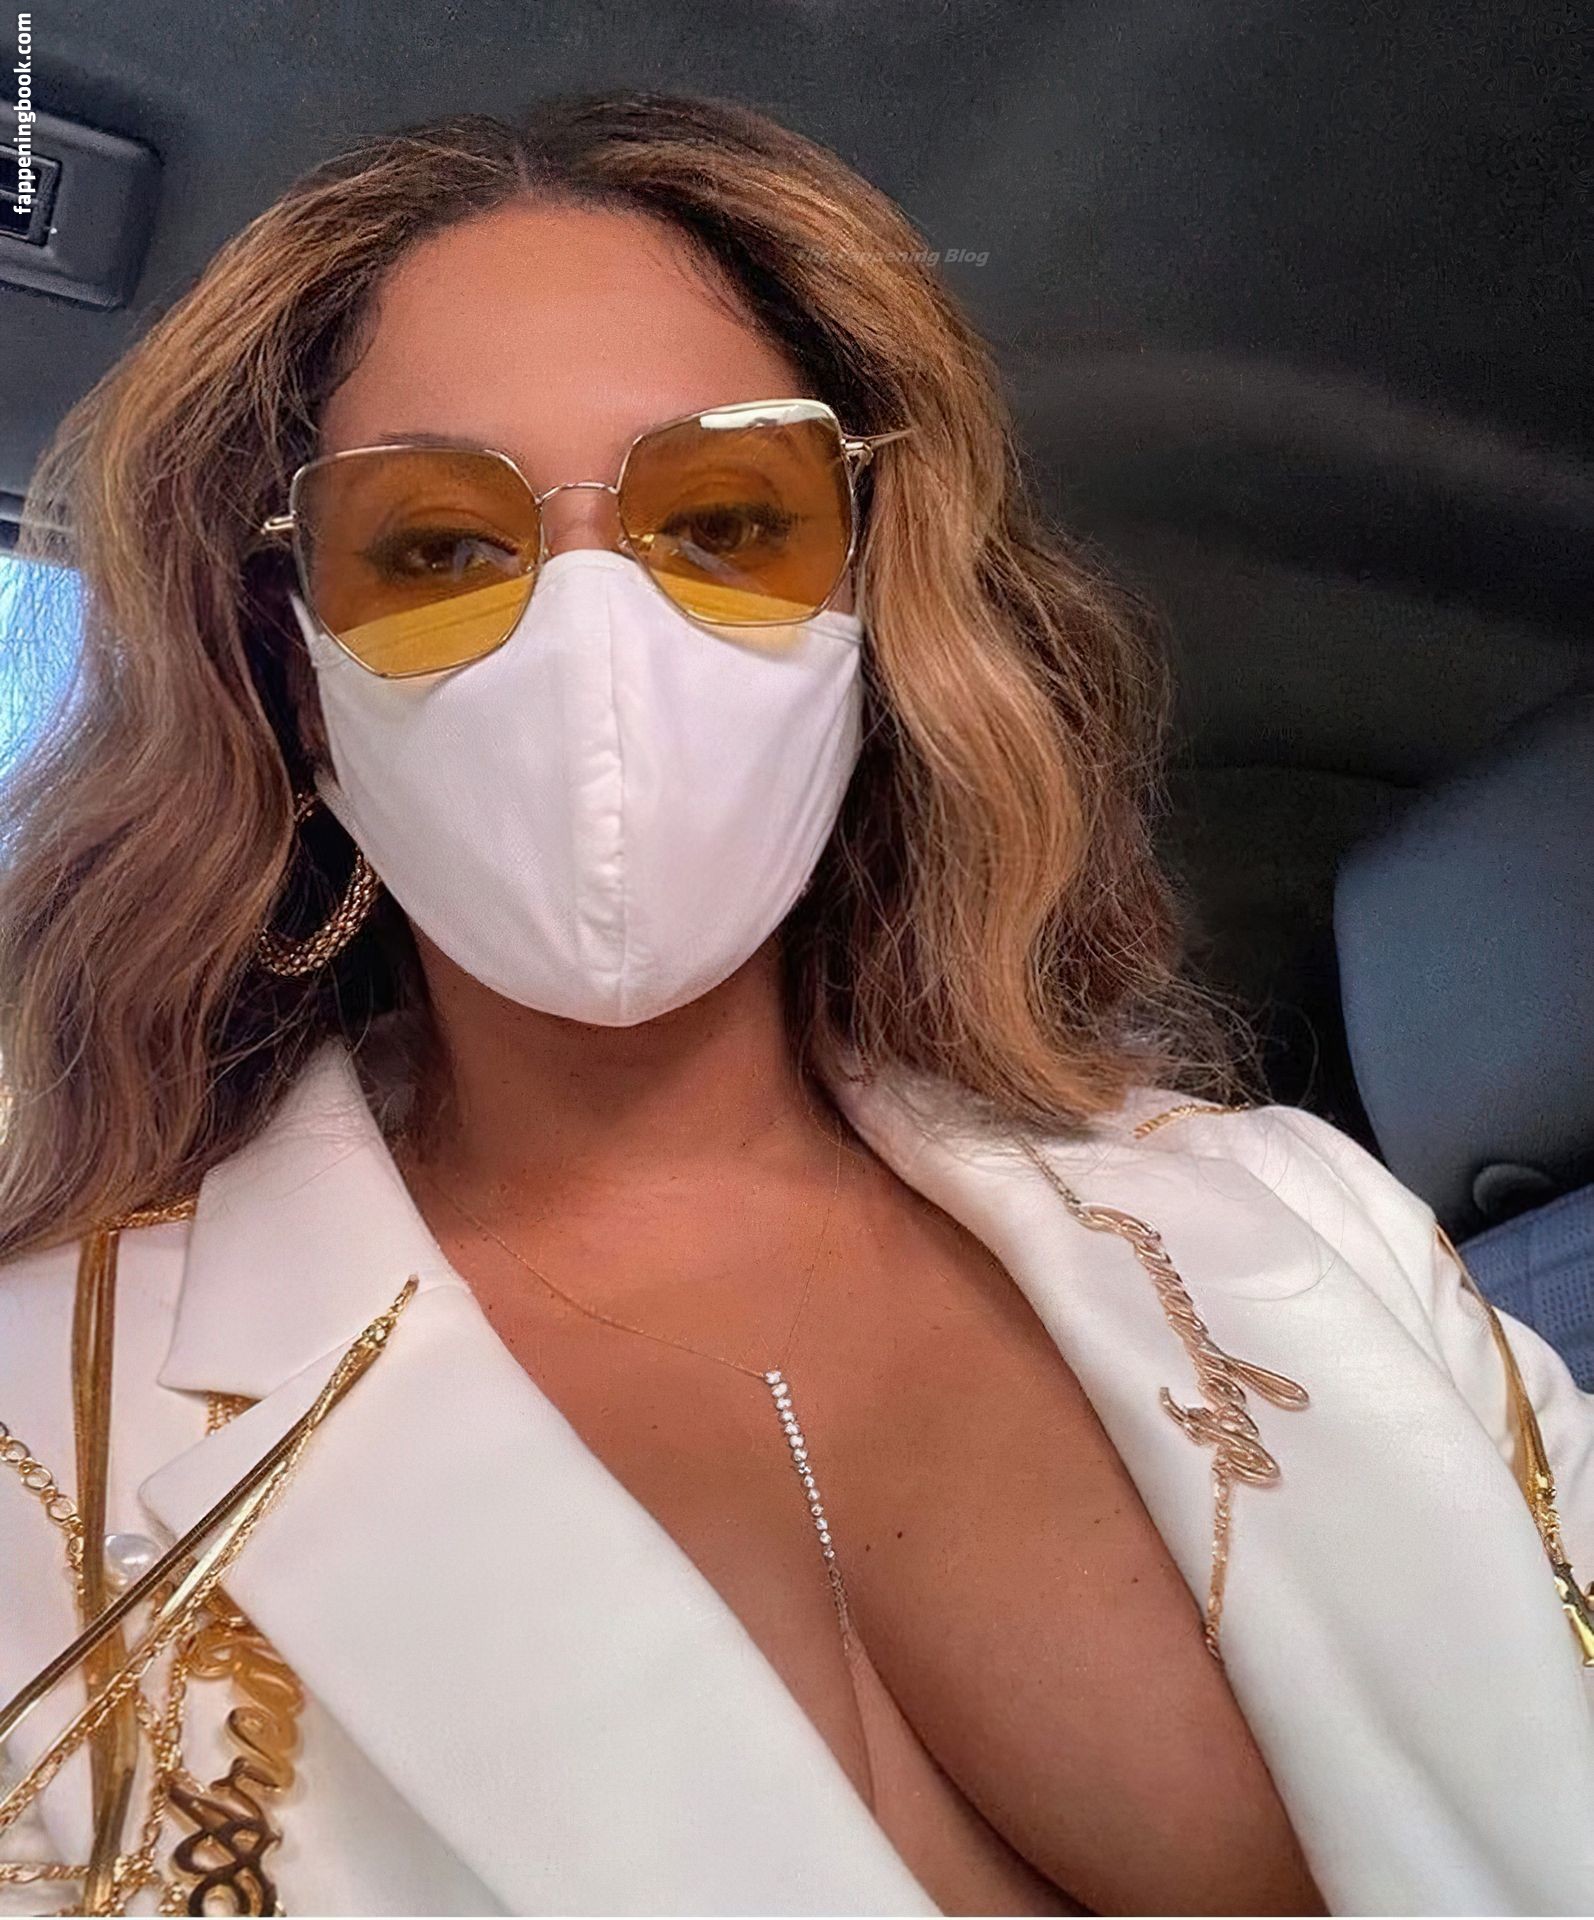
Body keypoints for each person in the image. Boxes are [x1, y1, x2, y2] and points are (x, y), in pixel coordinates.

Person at [0, 88, 1589, 1919]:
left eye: (723, 520)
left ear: (868, 607)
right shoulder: (47, 1426)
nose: (596, 647)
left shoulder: (1299, 1219)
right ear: (297, 681)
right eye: (437, 549)